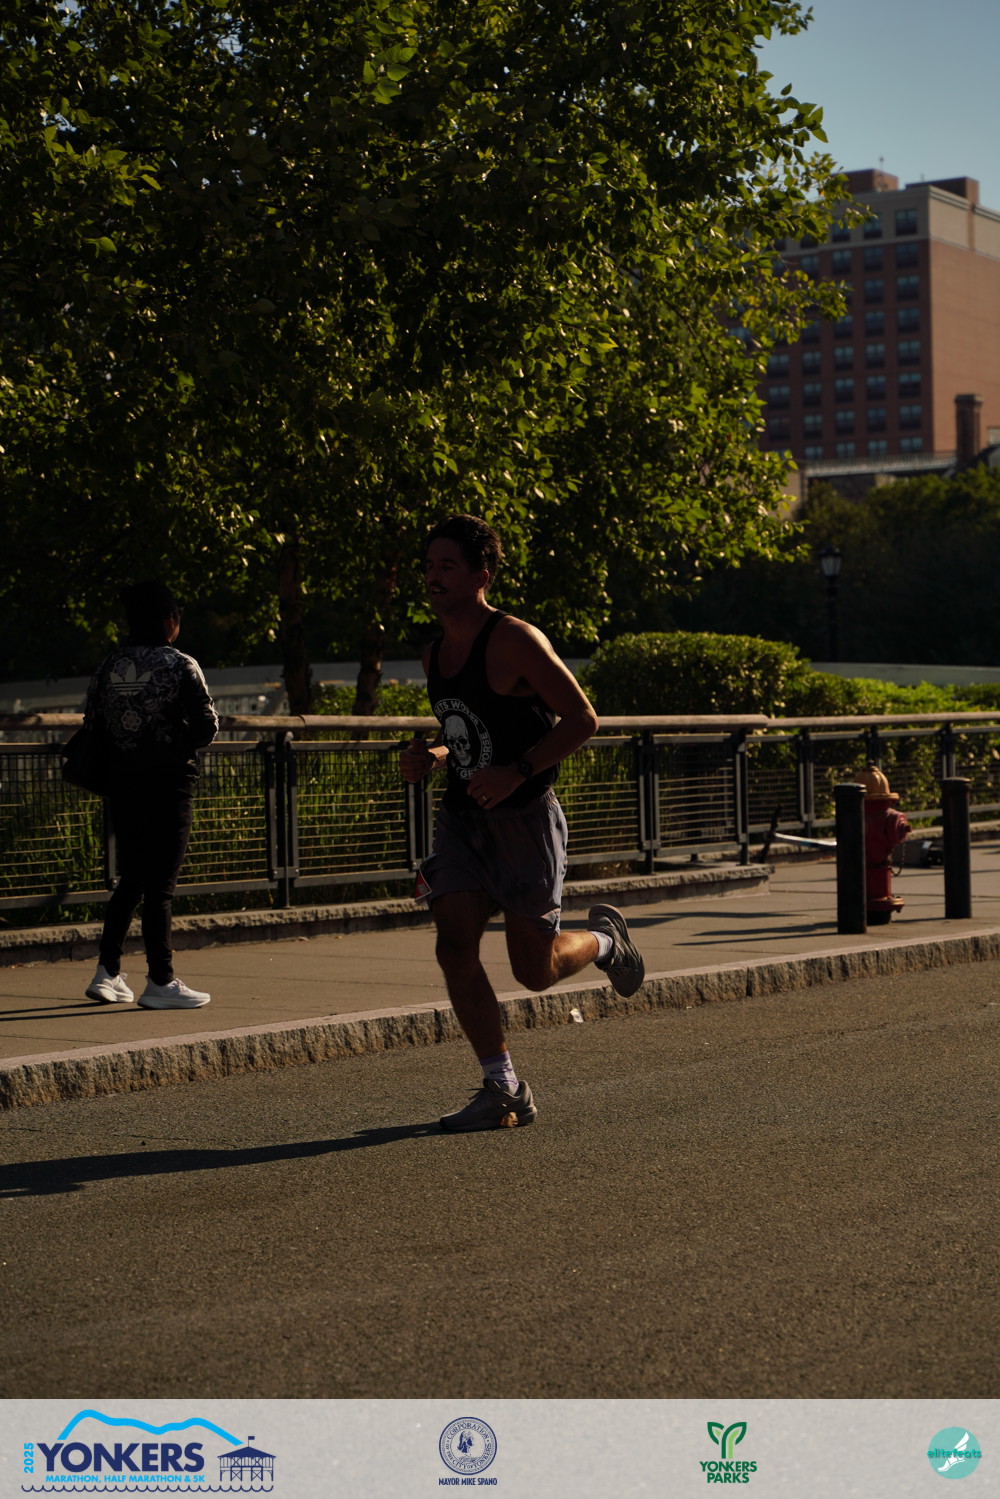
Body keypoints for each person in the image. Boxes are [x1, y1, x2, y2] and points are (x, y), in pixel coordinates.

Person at [401, 515, 645, 1132]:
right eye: (429, 566)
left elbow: (583, 719)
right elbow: (464, 734)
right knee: (453, 945)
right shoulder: (433, 655)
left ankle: (606, 941)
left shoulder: (514, 640)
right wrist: (433, 756)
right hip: (463, 822)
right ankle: (504, 1086)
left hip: (525, 821)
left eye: (447, 566)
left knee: (533, 973)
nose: (433, 577)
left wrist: (517, 772)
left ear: (480, 576)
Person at [83, 581, 219, 1010]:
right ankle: (161, 980)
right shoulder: (180, 664)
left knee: (132, 879)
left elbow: (93, 724)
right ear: (169, 621)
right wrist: (170, 741)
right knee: (161, 884)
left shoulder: (109, 665)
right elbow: (206, 727)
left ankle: (107, 972)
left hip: (122, 783)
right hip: (169, 784)